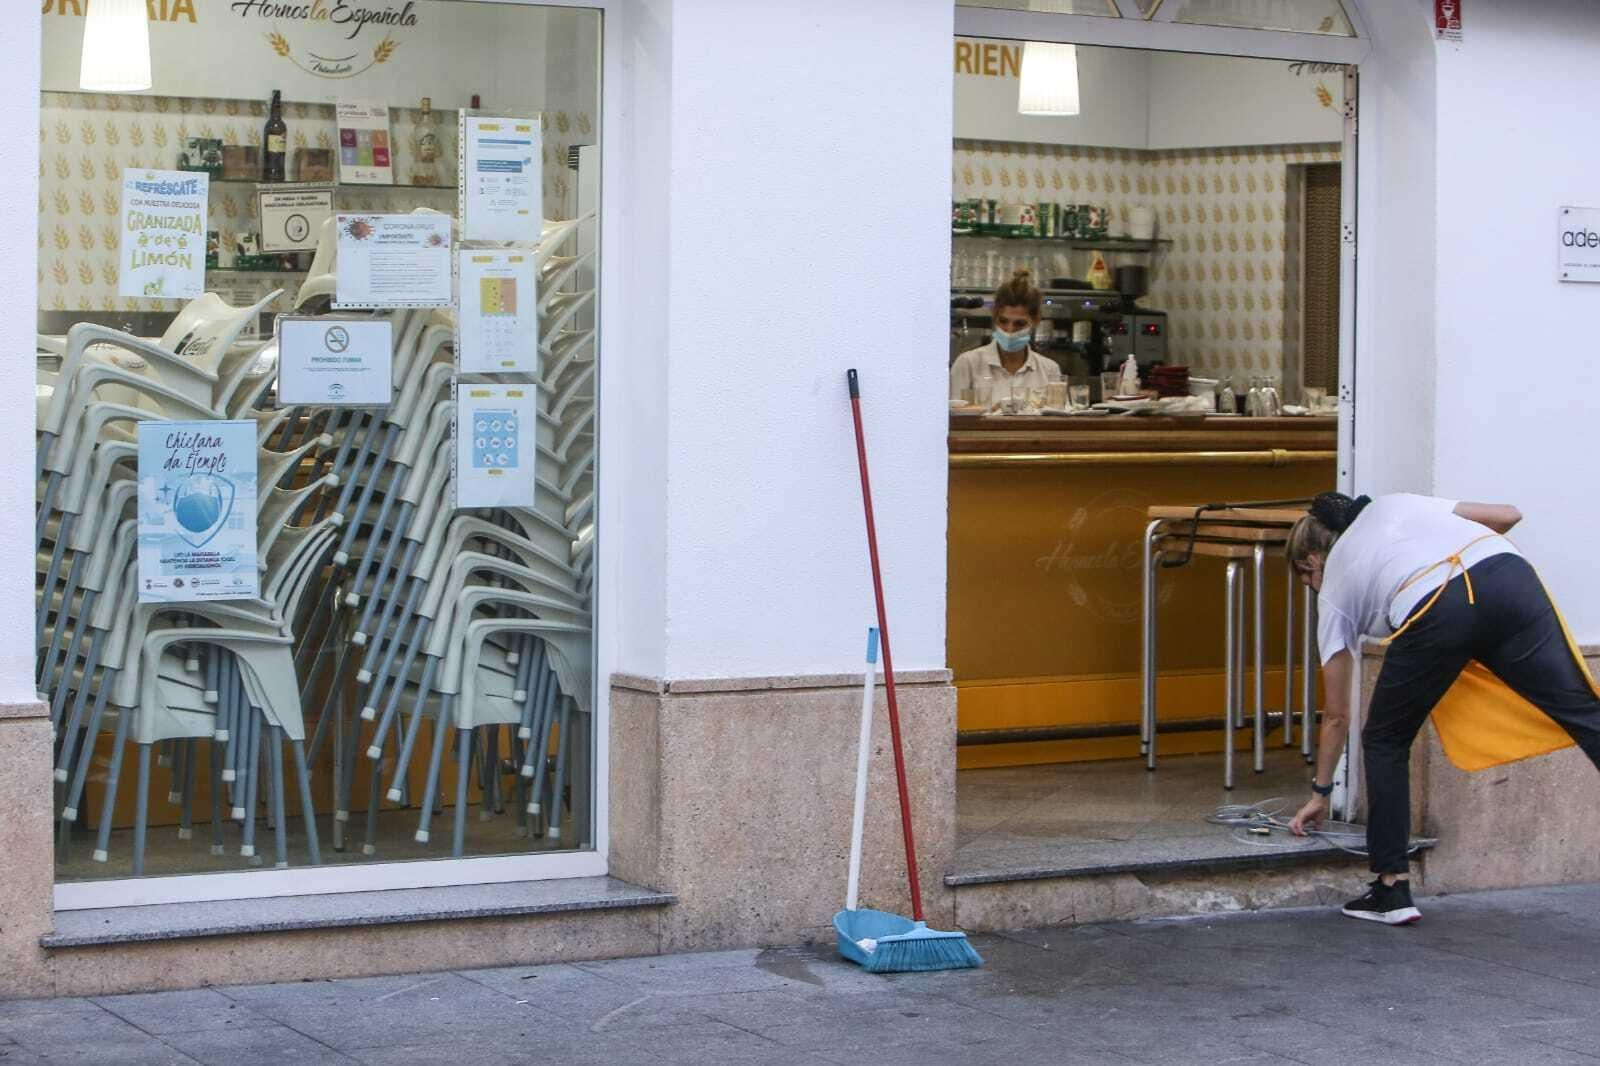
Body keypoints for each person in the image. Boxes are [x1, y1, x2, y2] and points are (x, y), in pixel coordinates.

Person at [1284, 492, 1600, 925]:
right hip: (1509, 575)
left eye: (1306, 579)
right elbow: (1508, 515)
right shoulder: (1394, 505)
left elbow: (1337, 714)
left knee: (1384, 738)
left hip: (1435, 604)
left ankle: (1391, 891)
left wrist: (1320, 793)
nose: (1311, 587)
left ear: (1312, 561)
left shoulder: (1333, 586)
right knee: (1586, 714)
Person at [950, 268, 1062, 403]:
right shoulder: (968, 364)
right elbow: (954, 420)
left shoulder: (1049, 370)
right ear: (995, 317)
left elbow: (1056, 420)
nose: (1010, 330)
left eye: (1019, 324)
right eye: (1003, 321)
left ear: (1035, 322)